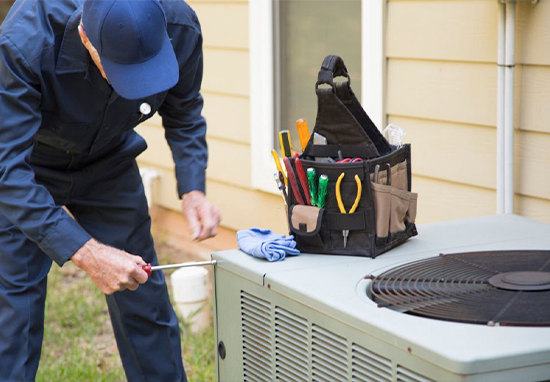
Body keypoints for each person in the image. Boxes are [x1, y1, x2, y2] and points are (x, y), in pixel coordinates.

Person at [0, 0, 220, 380]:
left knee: (143, 296)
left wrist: (192, 187)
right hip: (29, 167)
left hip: (109, 162)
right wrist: (87, 252)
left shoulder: (180, 27)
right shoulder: (23, 44)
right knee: (15, 313)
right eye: (123, 72)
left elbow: (184, 110)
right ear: (86, 38)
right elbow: (7, 169)